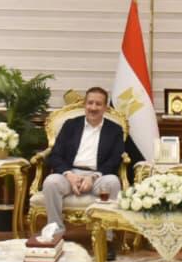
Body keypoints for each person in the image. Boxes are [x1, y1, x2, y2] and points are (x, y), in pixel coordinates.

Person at [42, 86, 127, 233]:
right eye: (90, 103)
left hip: (98, 176)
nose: (93, 108)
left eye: (98, 104)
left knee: (113, 182)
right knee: (50, 182)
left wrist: (93, 177)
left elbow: (115, 160)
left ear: (105, 108)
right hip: (70, 173)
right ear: (84, 104)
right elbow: (55, 155)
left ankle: (107, 235)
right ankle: (56, 230)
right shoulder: (70, 125)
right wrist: (69, 175)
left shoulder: (114, 130)